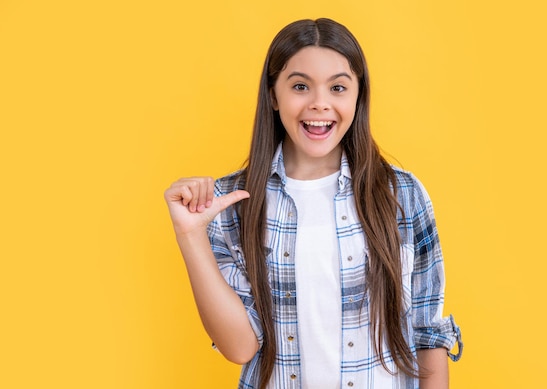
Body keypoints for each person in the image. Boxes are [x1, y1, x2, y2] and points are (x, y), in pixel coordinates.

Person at [164, 18, 462, 389]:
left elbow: (427, 333)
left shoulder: (400, 194)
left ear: (358, 96)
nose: (320, 103)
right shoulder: (230, 205)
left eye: (338, 87)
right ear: (273, 95)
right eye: (301, 86)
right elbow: (240, 347)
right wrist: (190, 235)